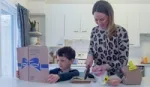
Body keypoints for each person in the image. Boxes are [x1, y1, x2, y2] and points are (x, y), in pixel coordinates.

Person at [85, 0, 129, 86]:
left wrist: (104, 66)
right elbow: (91, 49)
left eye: (102, 19)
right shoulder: (94, 31)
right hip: (98, 77)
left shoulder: (121, 32)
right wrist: (89, 56)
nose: (99, 22)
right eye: (96, 19)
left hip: (115, 77)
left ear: (110, 16)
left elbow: (123, 60)